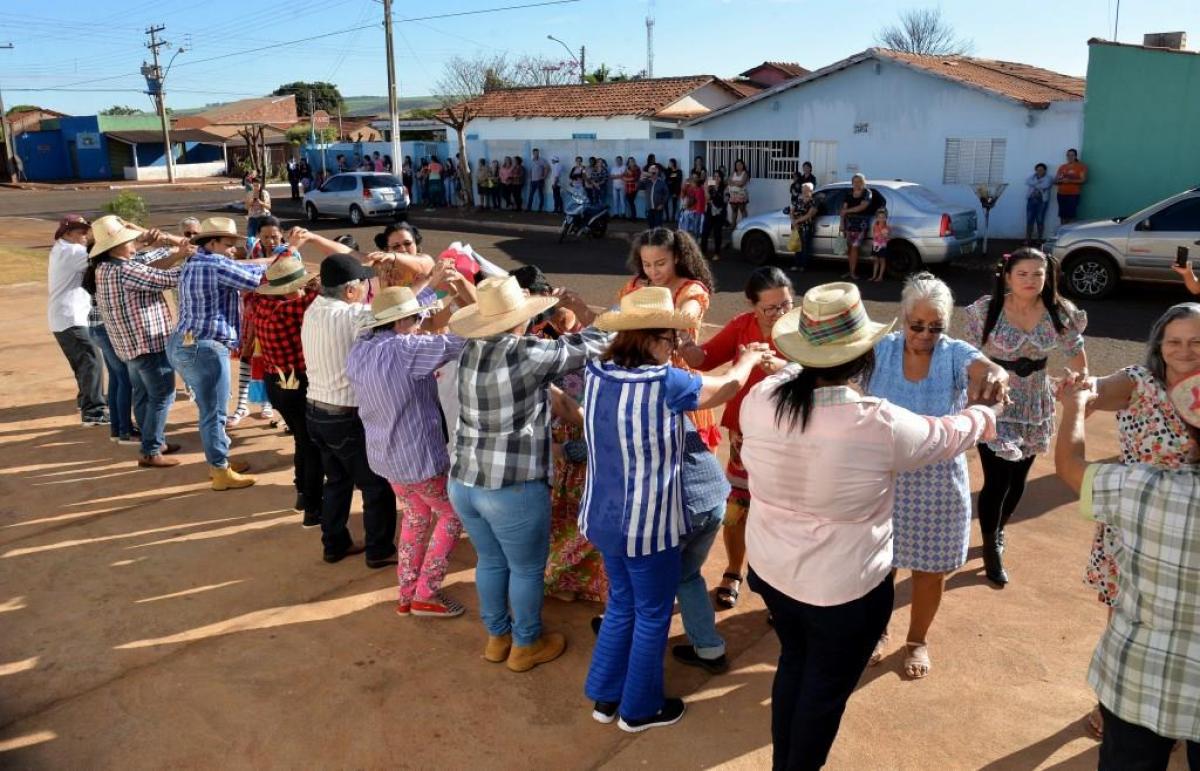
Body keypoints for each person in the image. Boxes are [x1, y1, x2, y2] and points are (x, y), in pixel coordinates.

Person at [741, 282, 1001, 771]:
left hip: (773, 573)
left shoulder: (761, 398)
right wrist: (986, 413)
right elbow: (948, 434)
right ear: (864, 356)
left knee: (795, 662)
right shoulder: (875, 423)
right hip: (843, 592)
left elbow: (796, 374)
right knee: (822, 692)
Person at [580, 287, 769, 732]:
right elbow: (727, 387)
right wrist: (748, 359)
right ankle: (638, 710)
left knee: (622, 603)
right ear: (650, 338)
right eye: (671, 339)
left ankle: (606, 697)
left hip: (604, 517)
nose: (675, 347)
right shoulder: (666, 382)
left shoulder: (597, 370)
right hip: (648, 526)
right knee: (652, 614)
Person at [446, 275, 608, 673]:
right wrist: (620, 316)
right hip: (511, 488)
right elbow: (592, 344)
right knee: (525, 569)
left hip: (464, 480)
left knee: (490, 561)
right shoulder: (526, 353)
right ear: (518, 319)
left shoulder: (470, 350)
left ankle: (497, 637)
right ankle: (525, 643)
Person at [866, 273, 1009, 678]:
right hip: (885, 479)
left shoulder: (953, 353)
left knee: (930, 570)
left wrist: (995, 376)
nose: (926, 335)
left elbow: (987, 368)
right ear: (903, 318)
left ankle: (917, 640)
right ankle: (877, 632)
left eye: (936, 327)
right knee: (879, 569)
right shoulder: (880, 349)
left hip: (938, 483)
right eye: (917, 325)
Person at [1054, 372, 1200, 771]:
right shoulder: (1142, 380)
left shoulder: (1144, 487)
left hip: (1138, 684)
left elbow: (1070, 466)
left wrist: (1074, 406)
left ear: (1188, 434)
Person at [1073, 302, 1200, 737]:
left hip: (1192, 523)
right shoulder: (1140, 380)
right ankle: (1114, 704)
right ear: (1159, 344)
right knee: (1127, 613)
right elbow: (1098, 389)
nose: (1184, 350)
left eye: (1196, 341)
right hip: (1134, 517)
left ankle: (1182, 708)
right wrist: (1080, 390)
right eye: (1174, 341)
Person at [347, 281, 477, 618]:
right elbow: (464, 341)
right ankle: (426, 593)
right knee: (453, 515)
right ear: (403, 322)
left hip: (387, 458)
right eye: (417, 319)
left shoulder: (361, 346)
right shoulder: (407, 349)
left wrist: (437, 290)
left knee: (417, 516)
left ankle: (407, 593)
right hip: (419, 458)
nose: (421, 325)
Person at [964, 247, 1088, 585]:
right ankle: (991, 546)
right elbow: (968, 355)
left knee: (1018, 478)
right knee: (997, 479)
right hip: (995, 401)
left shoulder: (1060, 312)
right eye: (1022, 274)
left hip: (1035, 403)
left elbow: (1076, 354)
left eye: (1038, 274)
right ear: (1007, 276)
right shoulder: (986, 311)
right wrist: (970, 392)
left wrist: (1078, 380)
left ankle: (999, 528)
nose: (1031, 280)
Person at [679, 267, 794, 611]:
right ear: (752, 305)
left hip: (791, 434)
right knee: (738, 507)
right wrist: (685, 345)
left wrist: (784, 367)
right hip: (745, 434)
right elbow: (705, 359)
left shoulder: (804, 328)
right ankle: (733, 571)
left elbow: (821, 374)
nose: (780, 313)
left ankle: (781, 587)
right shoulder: (742, 326)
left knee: (782, 514)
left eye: (786, 304)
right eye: (770, 308)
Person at [508, 266, 607, 605]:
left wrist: (575, 309)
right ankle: (559, 575)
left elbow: (600, 341)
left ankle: (570, 578)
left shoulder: (559, 319)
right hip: (564, 423)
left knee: (577, 505)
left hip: (574, 419)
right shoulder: (523, 334)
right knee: (571, 506)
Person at [302, 253, 399, 568]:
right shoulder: (352, 315)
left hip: (315, 411)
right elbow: (399, 310)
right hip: (344, 416)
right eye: (362, 283)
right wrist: (432, 280)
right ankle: (379, 550)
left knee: (337, 481)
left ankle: (334, 544)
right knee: (375, 484)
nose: (365, 287)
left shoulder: (314, 308)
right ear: (349, 290)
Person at [168, 217, 267, 490]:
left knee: (210, 409)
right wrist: (285, 256)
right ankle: (220, 470)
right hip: (206, 347)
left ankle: (220, 461)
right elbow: (259, 280)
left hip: (185, 342)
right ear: (212, 243)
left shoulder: (194, 260)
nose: (232, 249)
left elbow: (241, 266)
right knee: (214, 412)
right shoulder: (215, 264)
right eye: (227, 244)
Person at [85, 217, 185, 468]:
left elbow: (148, 265)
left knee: (144, 394)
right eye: (129, 241)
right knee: (162, 396)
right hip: (147, 344)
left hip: (131, 346)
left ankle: (155, 441)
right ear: (116, 246)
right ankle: (151, 450)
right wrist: (195, 259)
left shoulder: (104, 268)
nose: (134, 244)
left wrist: (175, 252)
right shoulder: (125, 270)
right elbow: (167, 278)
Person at [620, 228, 720, 450]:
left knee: (687, 452)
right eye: (647, 264)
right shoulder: (635, 286)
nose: (653, 271)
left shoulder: (690, 289)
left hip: (678, 378)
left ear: (676, 257)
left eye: (660, 263)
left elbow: (687, 316)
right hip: (641, 375)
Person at [248, 249, 324, 524]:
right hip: (297, 383)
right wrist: (313, 285)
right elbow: (320, 297)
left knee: (302, 440)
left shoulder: (261, 303)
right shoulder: (288, 309)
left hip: (276, 382)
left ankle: (302, 492)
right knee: (312, 445)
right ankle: (312, 508)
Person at [49, 215, 107, 427]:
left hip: (65, 318)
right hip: (71, 318)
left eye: (86, 230)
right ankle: (94, 412)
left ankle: (86, 403)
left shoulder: (62, 249)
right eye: (80, 231)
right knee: (92, 362)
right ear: (67, 233)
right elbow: (102, 256)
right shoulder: (72, 251)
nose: (85, 235)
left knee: (84, 364)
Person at [840, 173, 872, 281]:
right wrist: (842, 223)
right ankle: (850, 271)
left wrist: (847, 211)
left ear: (863, 183)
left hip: (861, 224)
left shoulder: (867, 193)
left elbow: (862, 207)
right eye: (855, 182)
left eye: (859, 182)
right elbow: (843, 210)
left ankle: (853, 272)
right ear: (852, 183)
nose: (857, 184)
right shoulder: (848, 193)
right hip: (849, 223)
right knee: (849, 248)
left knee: (854, 247)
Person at [789, 182, 818, 273]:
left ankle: (803, 266)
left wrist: (797, 221)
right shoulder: (798, 200)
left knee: (805, 247)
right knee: (797, 246)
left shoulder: (814, 201)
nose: (804, 192)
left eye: (806, 190)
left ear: (811, 191)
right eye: (803, 190)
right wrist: (793, 221)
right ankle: (797, 264)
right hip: (796, 226)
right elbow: (791, 211)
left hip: (806, 226)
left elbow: (809, 215)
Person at [1054, 148, 1087, 225]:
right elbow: (1055, 180)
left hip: (1073, 195)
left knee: (1071, 216)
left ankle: (1069, 232)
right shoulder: (1062, 167)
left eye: (1072, 155)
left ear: (1075, 156)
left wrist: (1070, 181)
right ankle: (1062, 231)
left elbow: (1083, 180)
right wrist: (1060, 181)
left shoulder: (1081, 167)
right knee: (1062, 215)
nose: (1070, 157)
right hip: (1061, 194)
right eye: (1068, 155)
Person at [701, 171, 729, 259]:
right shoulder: (711, 185)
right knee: (705, 232)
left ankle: (717, 253)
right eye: (715, 176)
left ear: (721, 178)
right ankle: (703, 252)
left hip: (720, 213)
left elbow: (725, 200)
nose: (716, 178)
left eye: (718, 176)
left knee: (717, 233)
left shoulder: (724, 187)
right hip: (710, 212)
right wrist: (706, 189)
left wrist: (720, 199)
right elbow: (707, 196)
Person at [1025, 163, 1053, 243]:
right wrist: (1039, 183)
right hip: (1031, 200)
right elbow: (1027, 181)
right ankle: (1028, 239)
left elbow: (1045, 185)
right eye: (1038, 170)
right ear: (1036, 170)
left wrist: (1034, 184)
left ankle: (1039, 240)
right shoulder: (1032, 177)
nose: (1039, 171)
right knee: (1029, 220)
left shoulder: (1049, 178)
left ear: (1045, 170)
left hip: (1042, 202)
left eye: (1041, 170)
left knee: (1040, 220)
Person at [677, 171, 705, 241]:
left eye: (696, 177)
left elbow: (700, 201)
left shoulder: (701, 187)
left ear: (698, 178)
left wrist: (699, 212)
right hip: (688, 210)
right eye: (693, 177)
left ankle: (695, 241)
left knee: (696, 228)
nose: (694, 179)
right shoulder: (688, 186)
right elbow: (682, 196)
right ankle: (686, 241)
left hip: (697, 211)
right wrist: (683, 187)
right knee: (685, 228)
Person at [640, 165, 670, 230]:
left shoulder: (661, 182)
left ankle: (657, 236)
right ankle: (651, 236)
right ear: (649, 172)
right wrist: (641, 180)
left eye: (654, 172)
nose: (653, 174)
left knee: (658, 227)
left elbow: (666, 194)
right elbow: (638, 187)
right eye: (651, 172)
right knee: (651, 227)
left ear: (657, 172)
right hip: (649, 208)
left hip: (658, 208)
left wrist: (662, 204)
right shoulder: (646, 182)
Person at [727, 158, 750, 230]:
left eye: (740, 164)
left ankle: (745, 225)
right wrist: (737, 183)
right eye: (737, 165)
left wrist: (733, 182)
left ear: (743, 165)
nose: (738, 166)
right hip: (733, 195)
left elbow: (741, 184)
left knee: (743, 210)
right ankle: (733, 225)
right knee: (734, 211)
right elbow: (728, 181)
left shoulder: (745, 173)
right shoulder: (733, 173)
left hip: (741, 195)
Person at [869, 208, 890, 283]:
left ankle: (880, 276)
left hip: (882, 246)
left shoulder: (887, 227)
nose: (881, 219)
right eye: (879, 217)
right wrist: (876, 237)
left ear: (886, 218)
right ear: (877, 218)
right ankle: (874, 276)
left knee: (882, 260)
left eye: (883, 217)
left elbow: (886, 237)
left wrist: (884, 235)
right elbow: (874, 235)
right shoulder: (875, 226)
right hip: (875, 246)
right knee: (876, 261)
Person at [527, 148, 549, 212]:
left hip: (539, 180)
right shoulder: (531, 161)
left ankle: (540, 209)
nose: (536, 154)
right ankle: (529, 208)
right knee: (531, 194)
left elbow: (547, 168)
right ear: (533, 153)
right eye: (535, 153)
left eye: (537, 153)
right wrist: (530, 179)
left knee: (540, 194)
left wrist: (544, 176)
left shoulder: (542, 160)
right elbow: (530, 170)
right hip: (533, 180)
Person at [665, 159, 683, 223]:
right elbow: (667, 179)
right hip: (668, 189)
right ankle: (667, 217)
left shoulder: (679, 171)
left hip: (675, 190)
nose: (669, 164)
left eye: (670, 163)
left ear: (673, 163)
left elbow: (678, 182)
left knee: (674, 204)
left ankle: (673, 218)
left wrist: (676, 192)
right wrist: (670, 180)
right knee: (665, 203)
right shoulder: (668, 171)